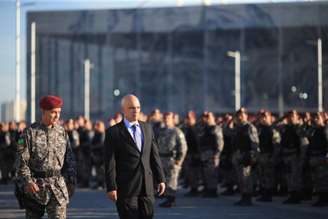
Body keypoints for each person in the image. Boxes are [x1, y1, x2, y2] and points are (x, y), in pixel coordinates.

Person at [104, 94, 165, 219]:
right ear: (123, 110)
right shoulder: (113, 132)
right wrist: (111, 187)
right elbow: (110, 162)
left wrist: (161, 178)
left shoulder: (147, 128)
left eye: (138, 107)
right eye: (131, 107)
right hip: (126, 188)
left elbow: (154, 156)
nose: (135, 110)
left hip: (147, 188)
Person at [15, 95, 76, 219]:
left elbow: (69, 158)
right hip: (36, 188)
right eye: (53, 112)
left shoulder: (62, 132)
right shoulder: (29, 132)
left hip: (58, 187)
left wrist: (71, 180)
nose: (57, 116)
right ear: (43, 111)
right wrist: (28, 181)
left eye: (59, 112)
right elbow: (21, 161)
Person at [157, 112, 187, 207]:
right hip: (162, 158)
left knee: (172, 181)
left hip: (172, 159)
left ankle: (171, 200)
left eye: (168, 118)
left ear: (173, 119)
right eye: (165, 118)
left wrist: (179, 160)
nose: (166, 120)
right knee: (165, 180)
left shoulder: (177, 132)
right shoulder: (161, 131)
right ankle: (167, 197)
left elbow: (183, 147)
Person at [232, 108, 259, 206]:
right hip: (238, 155)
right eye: (238, 115)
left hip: (246, 155)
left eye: (242, 115)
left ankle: (248, 198)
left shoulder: (249, 127)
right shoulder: (237, 127)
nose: (240, 117)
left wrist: (252, 157)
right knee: (241, 178)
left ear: (246, 115)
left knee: (246, 178)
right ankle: (243, 197)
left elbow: (255, 144)